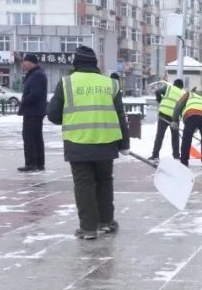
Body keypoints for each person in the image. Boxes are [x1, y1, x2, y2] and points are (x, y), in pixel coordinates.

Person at [46, 46, 130, 240]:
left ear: (75, 64)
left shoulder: (66, 83)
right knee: (104, 182)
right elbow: (120, 115)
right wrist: (124, 143)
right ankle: (106, 222)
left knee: (84, 184)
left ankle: (88, 228)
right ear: (95, 64)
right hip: (106, 142)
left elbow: (53, 115)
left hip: (78, 142)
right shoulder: (110, 84)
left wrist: (69, 117)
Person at [17, 54, 48, 172]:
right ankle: (38, 163)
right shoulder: (35, 74)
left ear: (31, 62)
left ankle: (31, 163)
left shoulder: (37, 75)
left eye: (24, 62)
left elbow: (36, 94)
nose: (23, 64)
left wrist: (24, 101)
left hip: (33, 111)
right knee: (36, 137)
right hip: (35, 111)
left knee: (30, 137)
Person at [150, 79, 185, 162]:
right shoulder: (183, 94)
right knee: (175, 137)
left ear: (174, 84)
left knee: (160, 135)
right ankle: (176, 156)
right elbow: (183, 107)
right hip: (174, 117)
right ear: (181, 87)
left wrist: (160, 101)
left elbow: (157, 92)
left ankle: (155, 155)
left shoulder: (169, 88)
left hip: (163, 114)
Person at [179, 87, 202, 167]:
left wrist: (174, 120)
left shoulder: (189, 93)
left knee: (187, 138)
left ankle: (184, 161)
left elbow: (179, 106)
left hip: (192, 115)